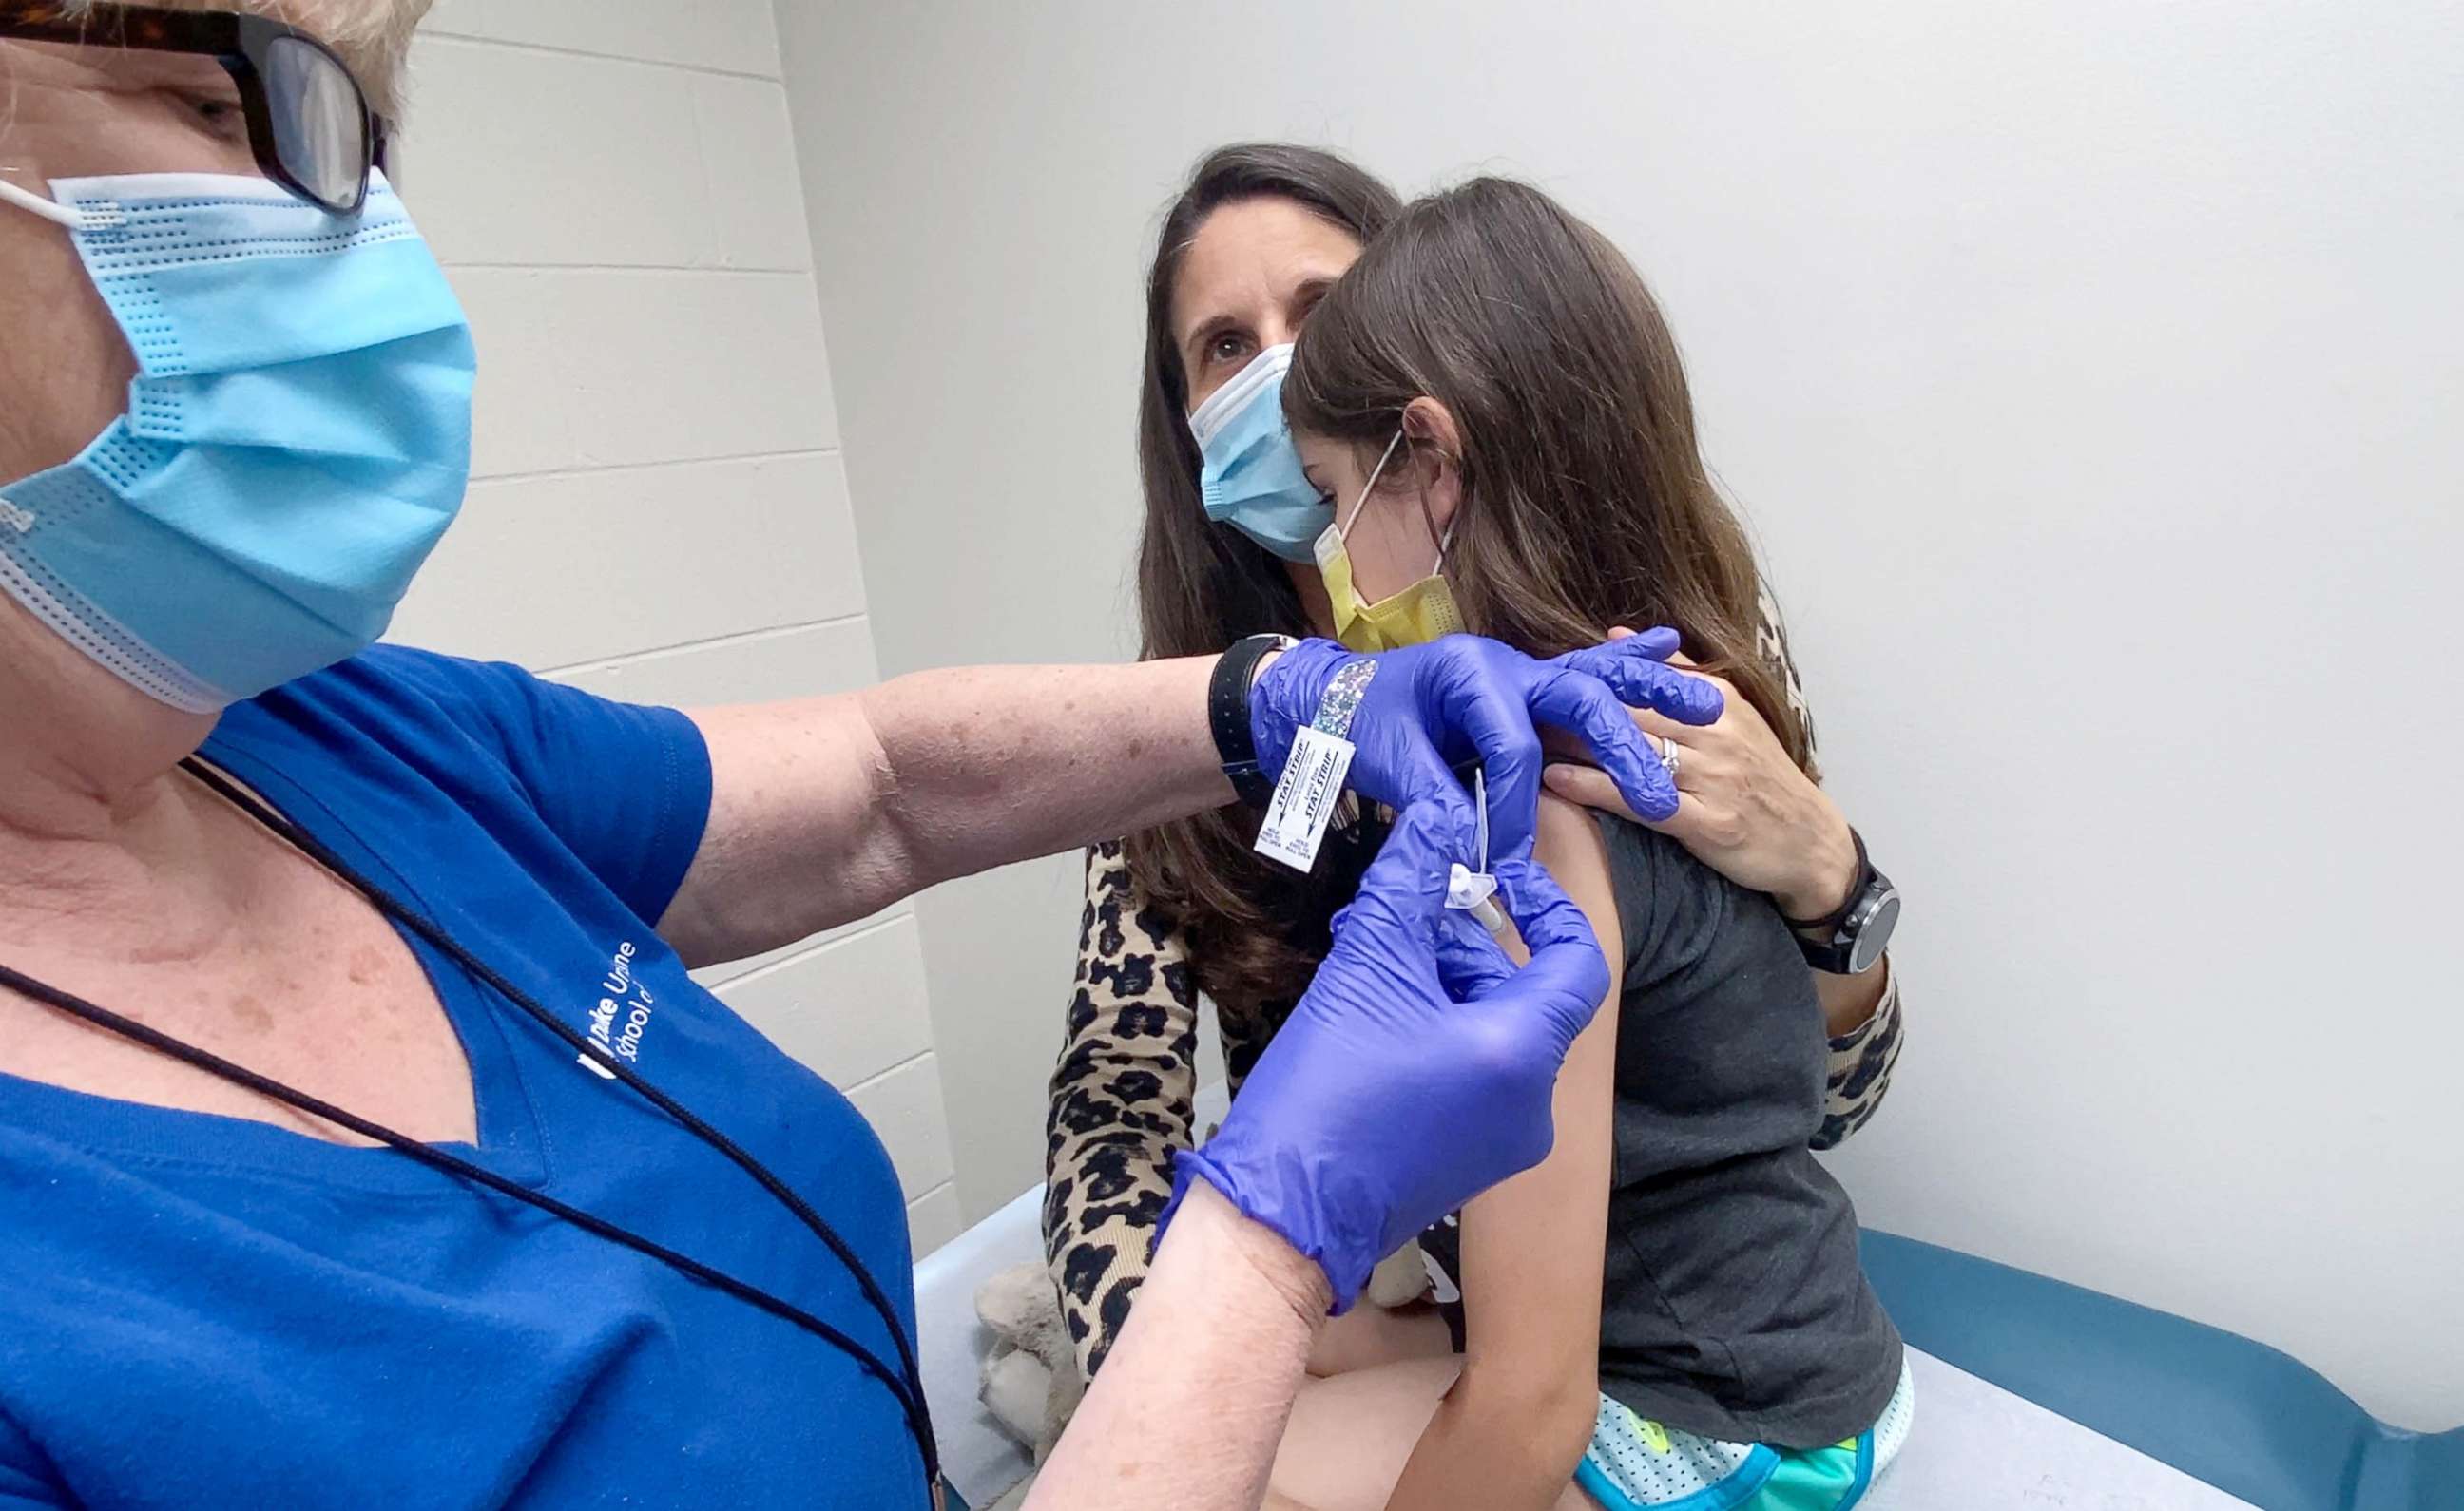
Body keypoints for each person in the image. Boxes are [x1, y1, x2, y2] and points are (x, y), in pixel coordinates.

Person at [0, 7, 1724, 1508]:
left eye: (361, 142)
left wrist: (1822, 900)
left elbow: (890, 785)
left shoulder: (330, 736)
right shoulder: (1193, 817)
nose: (359, 232)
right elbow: (1114, 1119)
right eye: (234, 112)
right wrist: (1265, 1266)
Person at [1044, 143, 1908, 1400]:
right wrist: (1187, 1394)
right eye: (1225, 345)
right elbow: (1112, 1117)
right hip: (1336, 1291)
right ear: (1182, 420)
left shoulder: (1635, 664)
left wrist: (1835, 882)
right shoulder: (1186, 732)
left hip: (1604, 1343)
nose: (1279, 364)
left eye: (1320, 311)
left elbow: (1818, 1099)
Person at [1258, 177, 1912, 1511]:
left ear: (1430, 463)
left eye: (1333, 495)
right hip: (1809, 1351)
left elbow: (1529, 1407)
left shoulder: (1542, 814)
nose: (1331, 560)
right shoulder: (1676, 702)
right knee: (1290, 1356)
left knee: (1221, 1463)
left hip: (1730, 1432)